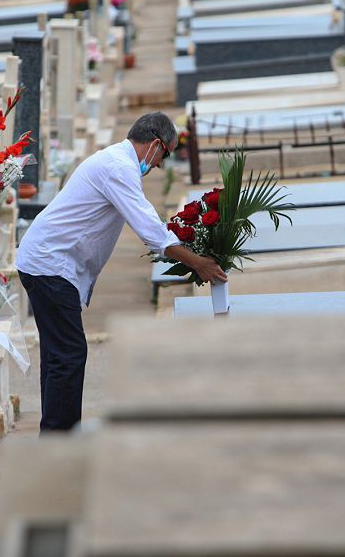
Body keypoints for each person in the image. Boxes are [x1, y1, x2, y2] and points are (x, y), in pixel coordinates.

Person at [16, 113, 226, 431]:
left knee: (60, 356)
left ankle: (56, 437)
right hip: (50, 264)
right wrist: (198, 262)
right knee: (69, 355)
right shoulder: (119, 167)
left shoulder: (118, 162)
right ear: (155, 144)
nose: (157, 167)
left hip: (47, 262)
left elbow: (152, 227)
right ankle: (60, 445)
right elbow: (151, 232)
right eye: (163, 157)